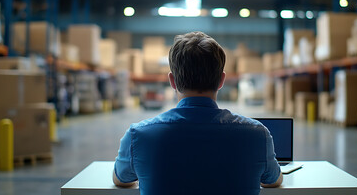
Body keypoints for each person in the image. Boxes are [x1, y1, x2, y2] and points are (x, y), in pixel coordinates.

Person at [113, 31, 282, 195]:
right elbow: (274, 180)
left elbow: (121, 179)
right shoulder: (257, 134)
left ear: (172, 80)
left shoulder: (138, 135)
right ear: (222, 80)